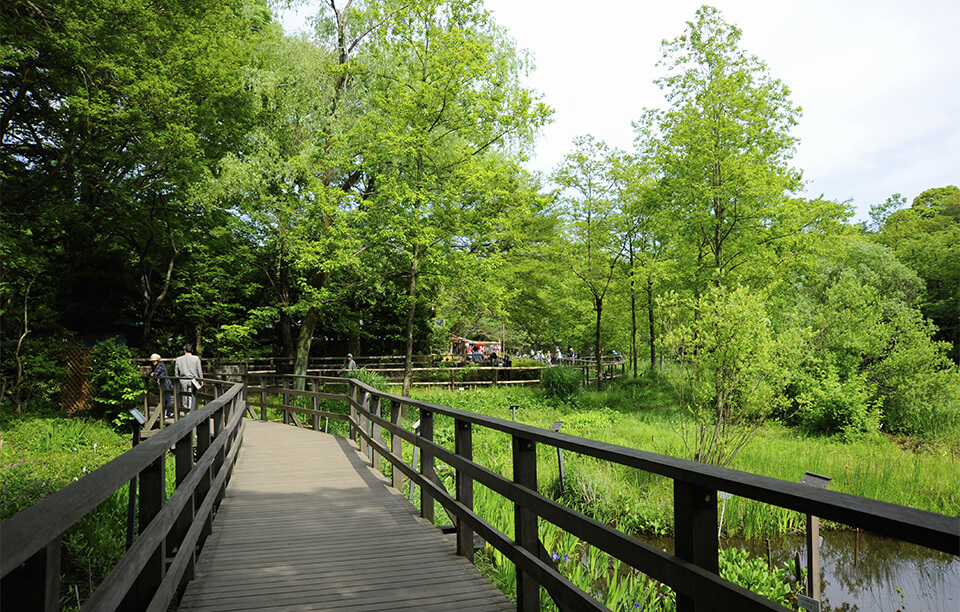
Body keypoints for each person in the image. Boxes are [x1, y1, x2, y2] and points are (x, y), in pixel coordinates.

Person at [174, 344, 203, 412]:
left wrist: (177, 379)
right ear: (192, 351)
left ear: (184, 351)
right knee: (191, 396)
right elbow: (199, 370)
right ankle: (191, 410)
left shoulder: (178, 359)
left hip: (183, 379)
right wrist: (201, 380)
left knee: (184, 396)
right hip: (193, 380)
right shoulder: (196, 358)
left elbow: (176, 371)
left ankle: (185, 410)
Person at [149, 353, 174, 417]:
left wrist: (153, 374)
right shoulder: (157, 366)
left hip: (166, 385)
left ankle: (169, 413)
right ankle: (171, 412)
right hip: (162, 385)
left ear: (158, 360)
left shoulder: (160, 365)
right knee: (165, 399)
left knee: (167, 399)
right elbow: (150, 374)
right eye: (152, 361)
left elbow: (155, 374)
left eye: (154, 361)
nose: (153, 362)